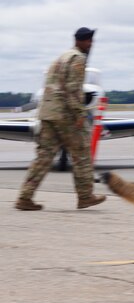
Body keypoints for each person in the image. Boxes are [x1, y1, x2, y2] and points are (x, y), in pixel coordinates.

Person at [15, 27, 107, 211]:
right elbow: (73, 89)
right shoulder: (78, 59)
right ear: (81, 41)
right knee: (81, 153)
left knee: (44, 157)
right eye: (89, 40)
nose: (91, 44)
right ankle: (85, 196)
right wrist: (80, 113)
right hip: (64, 115)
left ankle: (24, 197)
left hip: (47, 113)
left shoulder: (61, 57)